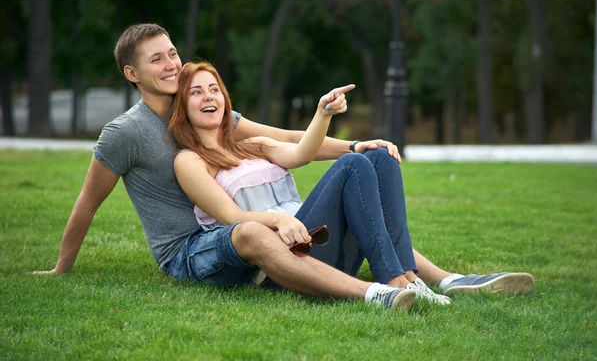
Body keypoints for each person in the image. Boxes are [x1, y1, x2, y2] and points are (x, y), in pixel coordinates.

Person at [34, 23, 534, 302]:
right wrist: (62, 268)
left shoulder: (216, 117)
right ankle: (382, 290)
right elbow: (87, 201)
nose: (170, 65)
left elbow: (290, 143)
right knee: (263, 227)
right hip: (191, 247)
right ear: (131, 73)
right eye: (156, 60)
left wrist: (358, 145)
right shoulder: (126, 134)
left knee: (361, 172)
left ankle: (438, 280)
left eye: (172, 54)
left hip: (252, 229)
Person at [169, 61, 453, 305]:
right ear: (183, 106)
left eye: (214, 89)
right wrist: (279, 220)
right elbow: (232, 217)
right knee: (352, 164)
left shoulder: (252, 144)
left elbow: (301, 152)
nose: (209, 97)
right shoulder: (189, 161)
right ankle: (393, 281)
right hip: (289, 257)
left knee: (380, 156)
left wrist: (323, 114)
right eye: (196, 92)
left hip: (318, 238)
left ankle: (409, 277)